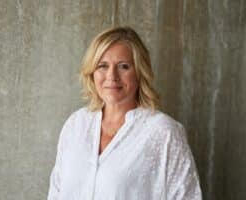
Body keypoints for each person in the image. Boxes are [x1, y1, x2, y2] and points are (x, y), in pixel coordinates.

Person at [47, 26, 202, 200]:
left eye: (124, 66)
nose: (112, 76)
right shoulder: (75, 125)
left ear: (139, 72)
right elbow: (56, 192)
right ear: (92, 73)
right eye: (102, 66)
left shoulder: (163, 132)